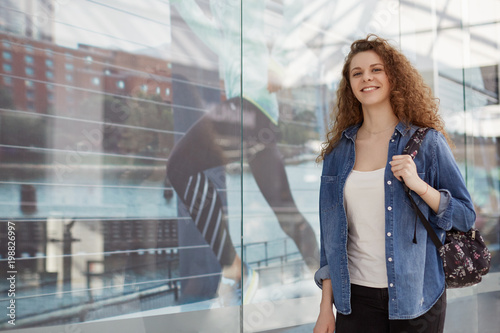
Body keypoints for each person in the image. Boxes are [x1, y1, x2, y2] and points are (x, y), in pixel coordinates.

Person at [313, 34, 476, 333]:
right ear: (349, 84)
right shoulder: (337, 153)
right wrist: (326, 307)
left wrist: (419, 185)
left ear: (392, 77)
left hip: (416, 297)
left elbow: (465, 216)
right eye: (357, 73)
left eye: (376, 69)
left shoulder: (427, 143)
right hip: (355, 299)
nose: (367, 78)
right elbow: (329, 239)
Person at [166, 0, 320, 304]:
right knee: (285, 211)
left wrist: (281, 62)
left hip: (252, 106)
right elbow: (202, 25)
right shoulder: (225, 28)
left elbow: (291, 11)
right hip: (258, 117)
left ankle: (234, 267)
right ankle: (326, 277)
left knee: (179, 168)